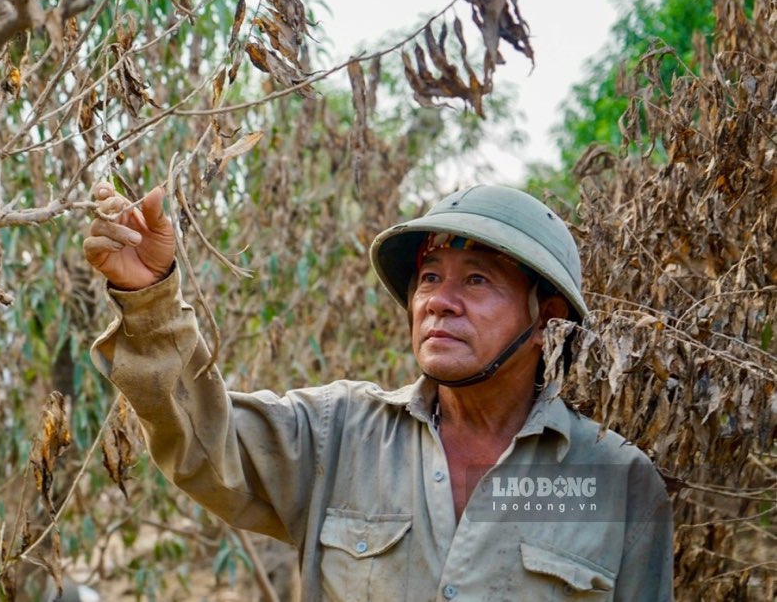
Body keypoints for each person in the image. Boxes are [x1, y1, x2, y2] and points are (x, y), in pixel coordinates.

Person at [84, 182, 674, 601]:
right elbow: (204, 441)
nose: (439, 300)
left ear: (546, 321)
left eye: (476, 280)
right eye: (430, 277)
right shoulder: (337, 434)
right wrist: (151, 298)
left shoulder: (619, 483)